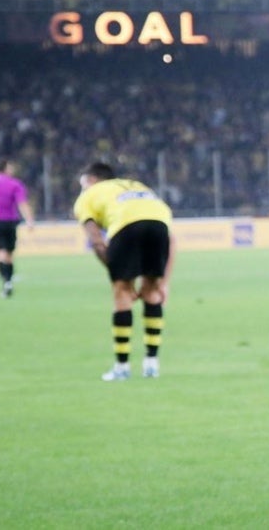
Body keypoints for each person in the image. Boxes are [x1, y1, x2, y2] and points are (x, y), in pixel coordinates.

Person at [73, 162, 175, 381]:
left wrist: (121, 277)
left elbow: (97, 241)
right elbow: (172, 239)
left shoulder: (89, 196)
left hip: (126, 227)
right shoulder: (138, 186)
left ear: (92, 180)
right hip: (159, 224)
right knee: (152, 292)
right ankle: (151, 364)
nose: (82, 191)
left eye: (83, 185)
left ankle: (122, 367)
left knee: (122, 294)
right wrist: (163, 282)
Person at [0, 158, 34, 298]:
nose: (12, 169)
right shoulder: (15, 184)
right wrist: (29, 220)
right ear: (5, 168)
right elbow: (22, 203)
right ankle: (8, 281)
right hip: (10, 222)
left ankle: (6, 280)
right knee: (8, 254)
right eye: (10, 167)